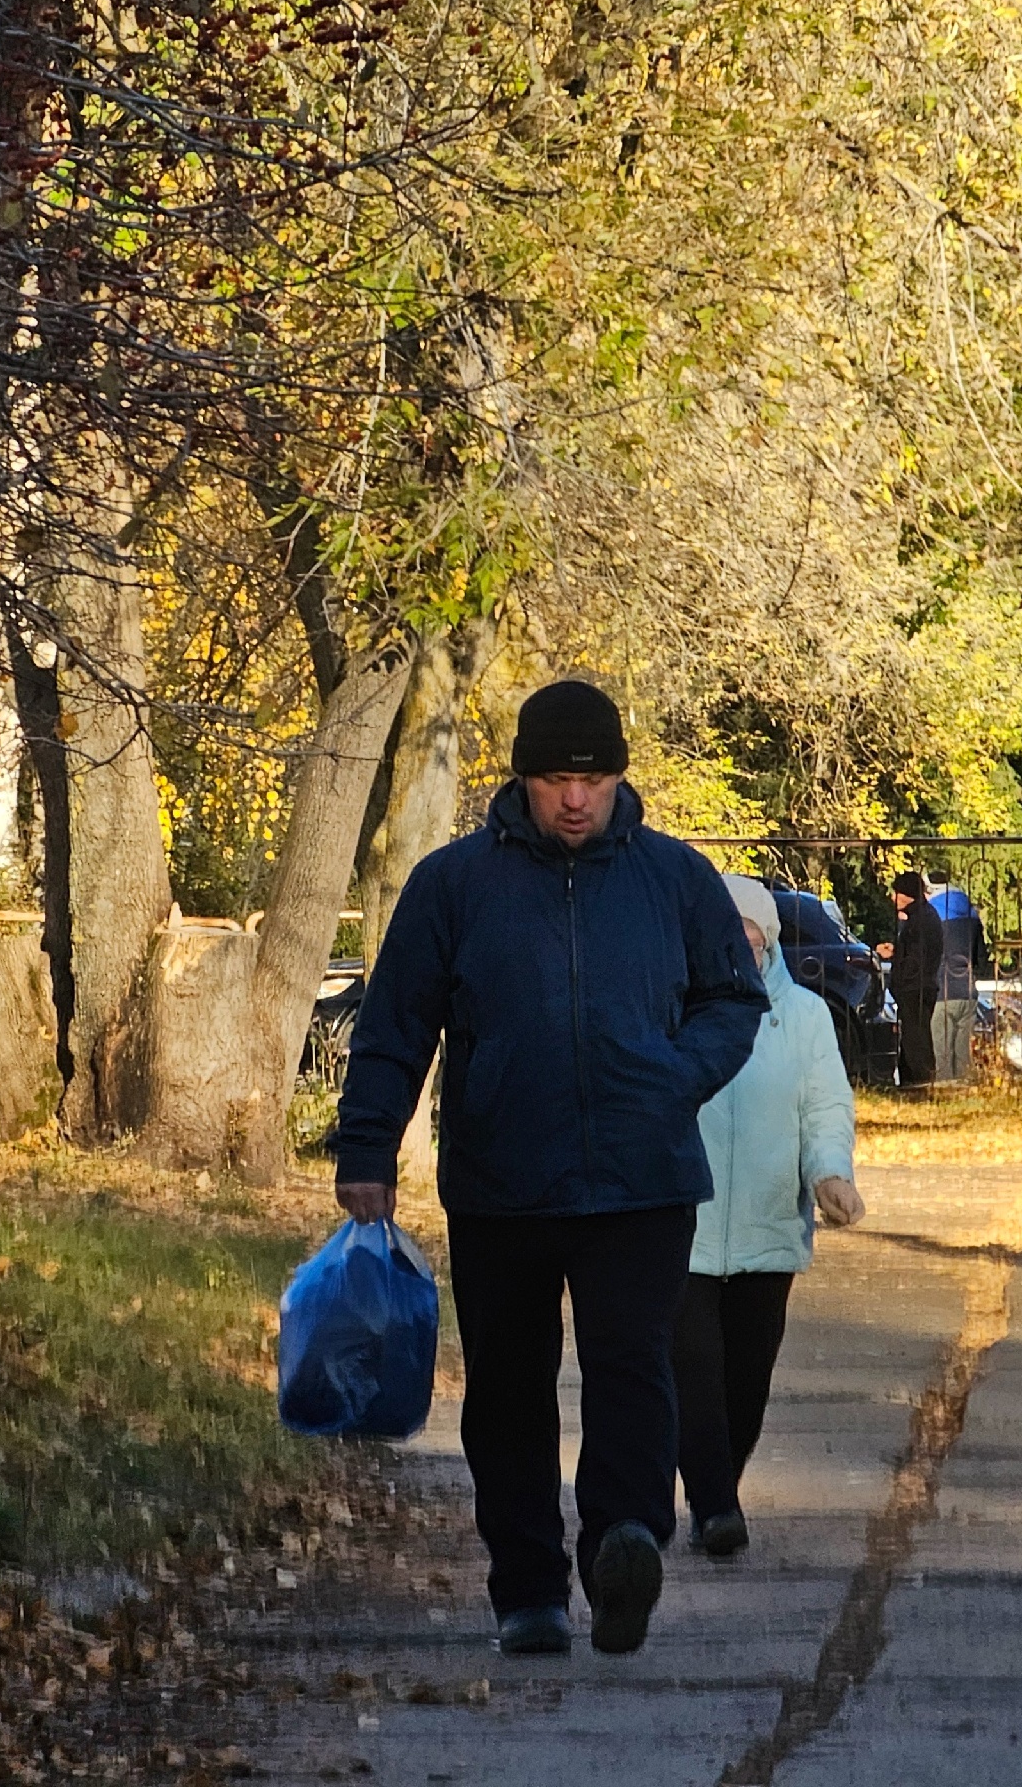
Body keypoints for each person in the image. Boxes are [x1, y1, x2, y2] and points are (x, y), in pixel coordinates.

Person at [328, 679, 769, 1658]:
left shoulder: (674, 880)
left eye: (594, 777)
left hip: (642, 1179)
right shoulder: (454, 886)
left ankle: (624, 1541)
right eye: (556, 778)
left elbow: (733, 1003)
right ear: (522, 779)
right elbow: (396, 1023)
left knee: (631, 1368)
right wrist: (365, 1147)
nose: (575, 798)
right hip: (501, 1181)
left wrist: (673, 1077)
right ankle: (527, 1589)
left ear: (619, 776)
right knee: (507, 1388)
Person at [674, 876, 865, 1555]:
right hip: (684, 1229)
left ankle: (716, 1485)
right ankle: (714, 1506)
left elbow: (824, 1109)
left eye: (748, 934)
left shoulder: (806, 1018)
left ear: (769, 941)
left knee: (746, 1381)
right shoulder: (673, 1006)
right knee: (693, 1370)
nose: (737, 946)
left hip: (770, 1223)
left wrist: (830, 1175)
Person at [877, 872, 943, 1088]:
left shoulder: (920, 920)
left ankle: (919, 1084)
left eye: (897, 893)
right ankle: (911, 1084)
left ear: (907, 894)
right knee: (913, 1038)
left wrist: (900, 973)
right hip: (917, 987)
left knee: (916, 1041)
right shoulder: (921, 916)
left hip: (915, 989)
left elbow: (917, 959)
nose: (893, 898)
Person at [927, 872, 987, 1084]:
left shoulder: (931, 913)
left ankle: (945, 1096)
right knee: (963, 1054)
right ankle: (964, 1092)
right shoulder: (971, 913)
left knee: (941, 1051)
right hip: (968, 991)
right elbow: (981, 956)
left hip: (942, 990)